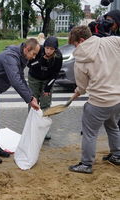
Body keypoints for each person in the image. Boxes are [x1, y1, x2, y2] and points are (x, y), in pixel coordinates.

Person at [0, 38, 41, 164]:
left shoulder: (21, 58)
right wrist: (29, 99)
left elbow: (21, 78)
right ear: (27, 49)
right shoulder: (10, 57)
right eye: (34, 53)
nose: (34, 57)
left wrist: (31, 96)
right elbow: (15, 80)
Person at [67, 26, 120, 174]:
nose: (76, 47)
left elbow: (82, 87)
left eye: (75, 44)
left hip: (98, 103)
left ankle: (86, 164)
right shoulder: (113, 41)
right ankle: (117, 155)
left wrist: (78, 91)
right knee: (113, 126)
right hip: (117, 100)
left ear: (82, 40)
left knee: (90, 133)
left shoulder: (80, 60)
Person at [27, 36, 63, 140]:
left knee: (46, 104)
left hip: (47, 79)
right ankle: (31, 127)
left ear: (55, 49)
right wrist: (41, 60)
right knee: (33, 101)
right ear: (44, 46)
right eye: (47, 48)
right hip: (34, 78)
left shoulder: (58, 56)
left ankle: (44, 129)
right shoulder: (38, 51)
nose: (48, 51)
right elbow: (30, 65)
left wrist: (48, 87)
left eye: (51, 49)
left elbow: (55, 74)